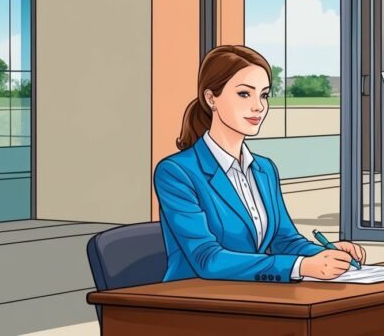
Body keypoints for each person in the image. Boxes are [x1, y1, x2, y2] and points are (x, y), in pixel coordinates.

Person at [154, 45, 366, 283]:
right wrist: (301, 266)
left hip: (252, 295)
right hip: (192, 300)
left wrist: (326, 254)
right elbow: (207, 259)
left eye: (264, 95)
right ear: (211, 98)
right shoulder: (177, 172)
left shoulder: (264, 169)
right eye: (245, 94)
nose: (259, 106)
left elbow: (284, 240)